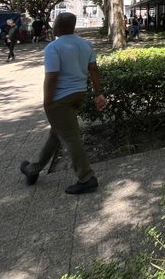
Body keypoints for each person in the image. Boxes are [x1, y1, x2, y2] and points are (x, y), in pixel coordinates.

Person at [19, 12, 107, 194]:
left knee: (70, 137)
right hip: (79, 94)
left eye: (55, 23)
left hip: (60, 98)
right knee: (57, 133)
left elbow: (51, 77)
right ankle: (33, 169)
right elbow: (93, 69)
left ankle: (87, 178)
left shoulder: (53, 47)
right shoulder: (86, 44)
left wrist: (47, 102)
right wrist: (99, 93)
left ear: (58, 26)